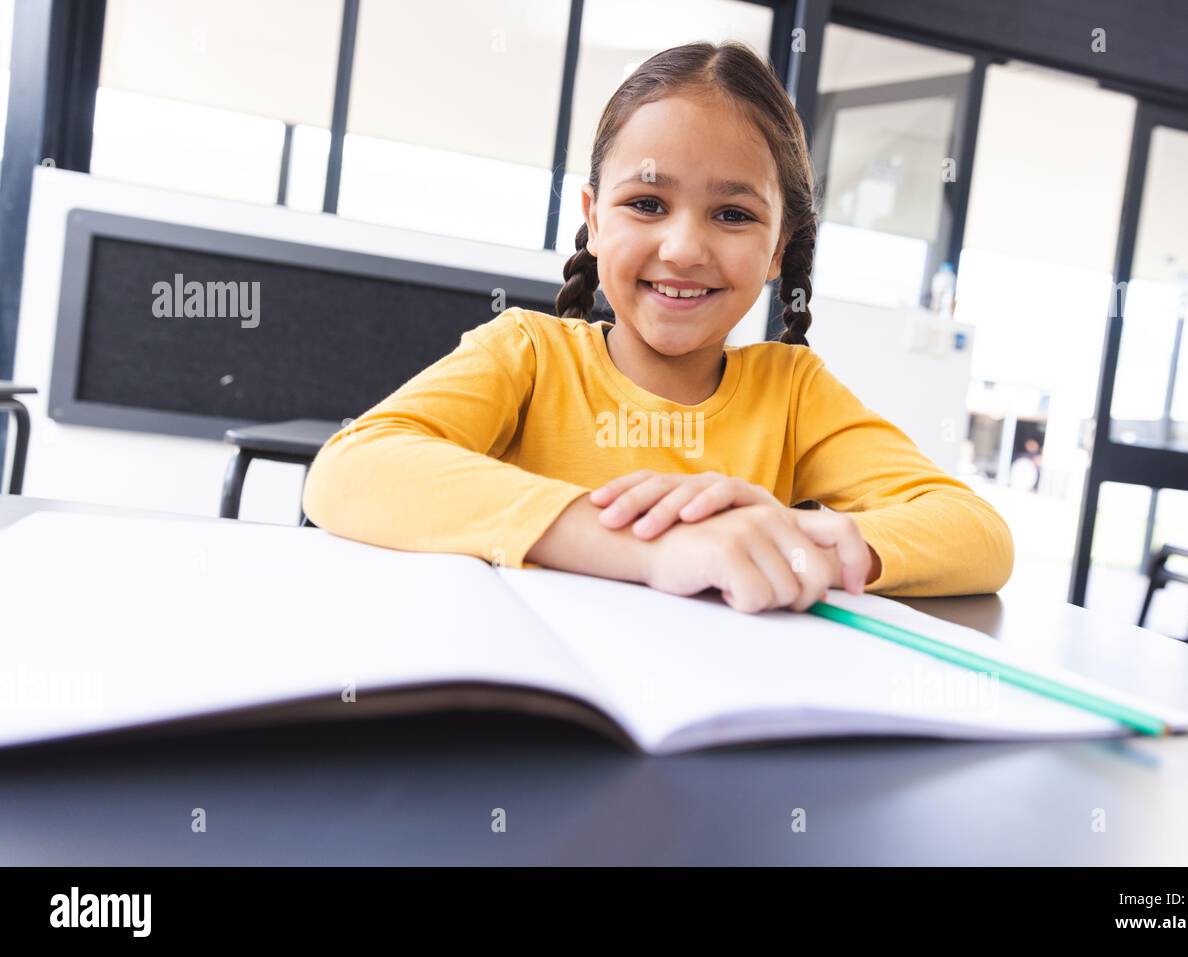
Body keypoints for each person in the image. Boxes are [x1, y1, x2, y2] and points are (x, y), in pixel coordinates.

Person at [302, 40, 1014, 613]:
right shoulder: (528, 353)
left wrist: (786, 542)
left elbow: (977, 534)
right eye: (646, 203)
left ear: (779, 248)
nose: (683, 247)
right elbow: (348, 471)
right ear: (593, 217)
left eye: (733, 214)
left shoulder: (792, 390)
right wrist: (650, 546)